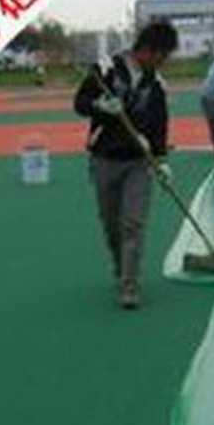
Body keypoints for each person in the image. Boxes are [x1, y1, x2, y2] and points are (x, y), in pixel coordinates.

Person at [74, 20, 179, 309]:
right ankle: (121, 269)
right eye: (161, 57)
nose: (161, 64)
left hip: (138, 163)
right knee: (112, 226)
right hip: (105, 159)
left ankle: (129, 286)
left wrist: (161, 161)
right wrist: (100, 106)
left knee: (133, 224)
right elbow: (80, 102)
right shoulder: (106, 68)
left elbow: (159, 126)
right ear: (146, 50)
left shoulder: (156, 84)